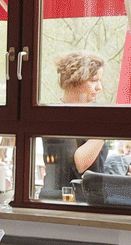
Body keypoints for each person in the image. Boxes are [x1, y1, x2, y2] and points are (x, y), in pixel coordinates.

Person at [39, 53, 111, 200]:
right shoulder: (55, 117)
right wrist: (107, 127)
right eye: (93, 80)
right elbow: (79, 163)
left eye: (100, 81)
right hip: (61, 201)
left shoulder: (92, 115)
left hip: (91, 199)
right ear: (74, 81)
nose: (99, 87)